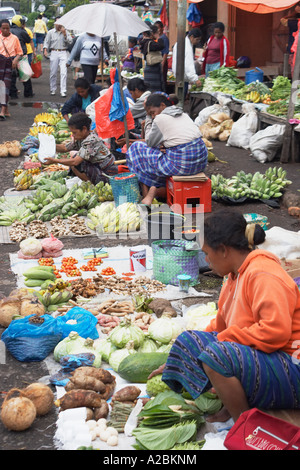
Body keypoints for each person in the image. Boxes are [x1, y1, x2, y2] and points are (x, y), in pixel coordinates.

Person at [154, 210, 300, 423]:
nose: (206, 260)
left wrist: (223, 340)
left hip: (292, 365)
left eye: (206, 253)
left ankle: (245, 423)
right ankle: (230, 405)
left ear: (222, 250)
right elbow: (220, 326)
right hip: (270, 357)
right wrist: (177, 357)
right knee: (189, 341)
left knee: (217, 355)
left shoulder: (263, 274)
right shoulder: (234, 275)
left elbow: (274, 332)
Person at [126, 92, 207, 205]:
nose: (153, 115)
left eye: (153, 112)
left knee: (135, 148)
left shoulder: (161, 118)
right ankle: (156, 190)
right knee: (157, 153)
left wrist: (148, 118)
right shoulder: (183, 114)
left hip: (181, 165)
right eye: (151, 114)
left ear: (163, 106)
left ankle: (151, 190)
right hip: (200, 163)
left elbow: (150, 142)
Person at [44, 112, 117, 185]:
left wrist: (55, 160)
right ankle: (92, 182)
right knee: (75, 160)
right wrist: (49, 144)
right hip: (98, 167)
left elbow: (75, 162)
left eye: (74, 133)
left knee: (76, 163)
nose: (73, 135)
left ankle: (95, 185)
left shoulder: (91, 140)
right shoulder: (81, 138)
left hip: (108, 173)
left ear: (84, 129)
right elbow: (64, 148)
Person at [43, 17, 73, 97]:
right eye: (56, 24)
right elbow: (46, 42)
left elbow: (70, 42)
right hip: (54, 52)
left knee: (64, 72)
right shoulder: (50, 32)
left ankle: (63, 90)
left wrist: (64, 34)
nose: (58, 25)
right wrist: (45, 50)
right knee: (53, 72)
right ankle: (53, 89)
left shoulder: (66, 32)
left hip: (63, 52)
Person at [0, 19, 22, 120]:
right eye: (3, 28)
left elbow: (20, 52)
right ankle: (6, 110)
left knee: (6, 87)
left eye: (7, 28)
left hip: (10, 65)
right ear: (0, 28)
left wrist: (15, 60)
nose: (5, 30)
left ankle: (3, 111)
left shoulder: (15, 38)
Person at [172, 28, 203, 95]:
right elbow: (188, 65)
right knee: (181, 96)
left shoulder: (181, 42)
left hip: (179, 75)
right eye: (197, 39)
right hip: (182, 77)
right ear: (191, 37)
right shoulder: (187, 47)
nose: (198, 42)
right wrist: (195, 79)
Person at [10, 15, 33, 99]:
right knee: (25, 75)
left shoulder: (8, 30)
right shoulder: (22, 31)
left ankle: (13, 94)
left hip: (10, 56)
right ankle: (28, 93)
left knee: (12, 76)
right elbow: (28, 40)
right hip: (21, 56)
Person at [139, 25, 164, 92]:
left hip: (148, 68)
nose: (159, 34)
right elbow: (161, 46)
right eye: (157, 32)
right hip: (153, 69)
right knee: (154, 91)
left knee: (149, 90)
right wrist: (158, 37)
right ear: (152, 33)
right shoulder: (151, 43)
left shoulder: (144, 41)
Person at [154, 21, 169, 92]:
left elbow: (165, 53)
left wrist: (162, 65)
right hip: (158, 61)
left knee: (162, 81)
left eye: (158, 28)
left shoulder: (164, 38)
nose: (157, 30)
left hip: (162, 61)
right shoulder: (158, 38)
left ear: (162, 28)